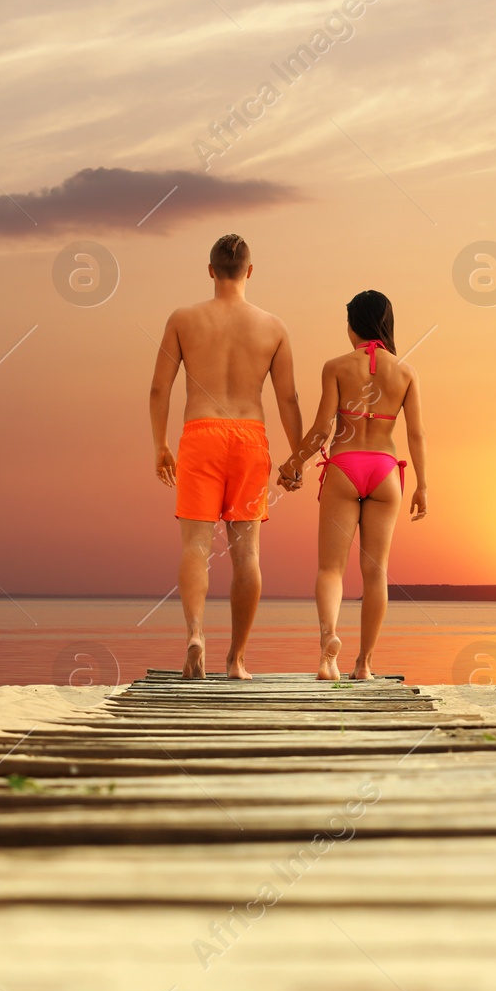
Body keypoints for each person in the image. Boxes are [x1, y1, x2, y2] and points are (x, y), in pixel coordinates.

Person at [149, 234, 304, 680]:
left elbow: (160, 387)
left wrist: (159, 443)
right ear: (250, 272)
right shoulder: (273, 327)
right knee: (247, 554)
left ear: (211, 270)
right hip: (250, 437)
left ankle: (196, 633)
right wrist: (297, 457)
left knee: (196, 548)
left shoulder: (184, 319)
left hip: (200, 433)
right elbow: (288, 398)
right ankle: (236, 659)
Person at [278, 290, 427, 680]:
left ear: (353, 325)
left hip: (344, 466)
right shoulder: (406, 372)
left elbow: (323, 428)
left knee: (330, 568)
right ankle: (365, 665)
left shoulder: (336, 366)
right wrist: (422, 486)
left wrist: (293, 464)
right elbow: (417, 435)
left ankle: (328, 653)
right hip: (384, 470)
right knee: (376, 572)